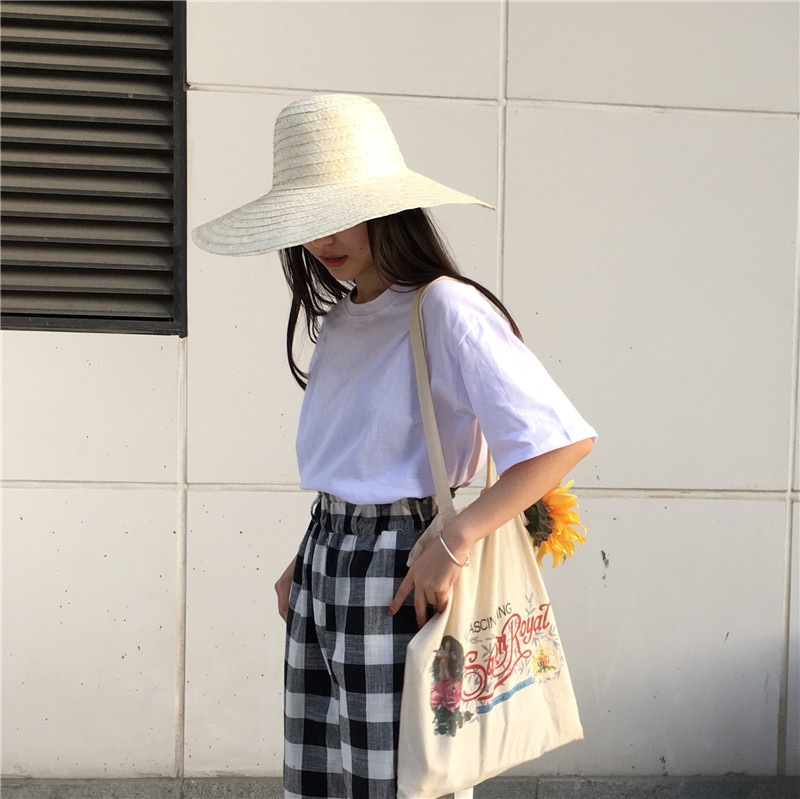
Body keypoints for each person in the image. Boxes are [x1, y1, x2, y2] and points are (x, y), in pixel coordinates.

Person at [193, 93, 596, 799]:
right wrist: (307, 557)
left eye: (342, 211)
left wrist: (456, 538)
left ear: (389, 209)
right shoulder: (343, 317)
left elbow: (560, 441)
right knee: (324, 775)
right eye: (308, 218)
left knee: (402, 781)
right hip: (327, 559)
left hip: (402, 565)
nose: (324, 237)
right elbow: (361, 459)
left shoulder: (443, 305)